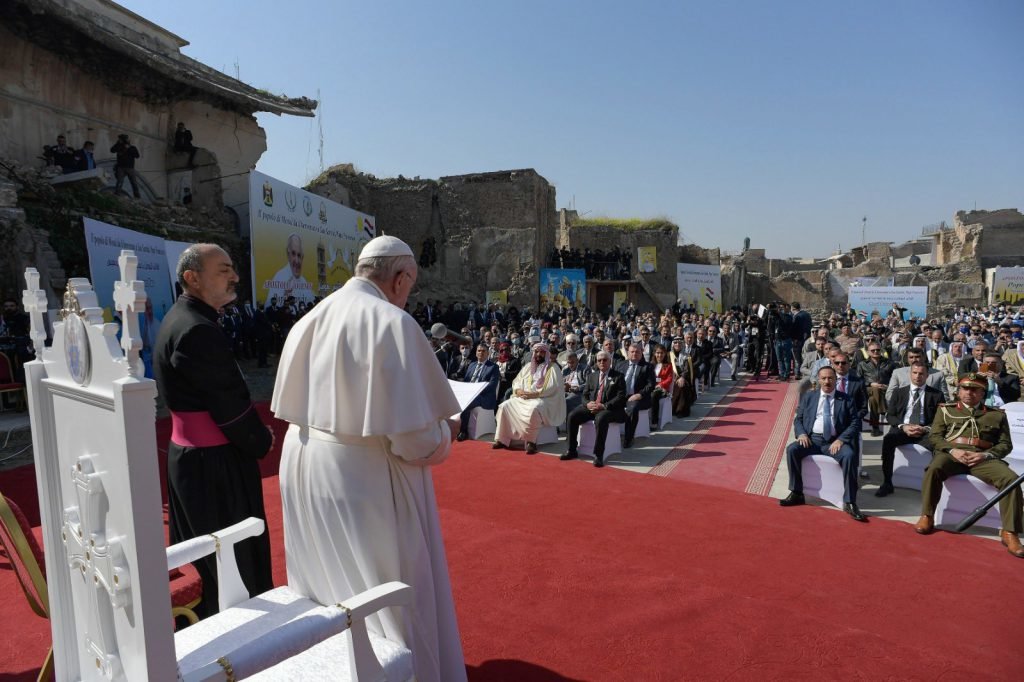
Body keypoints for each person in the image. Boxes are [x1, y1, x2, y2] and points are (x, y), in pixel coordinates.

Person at [271, 235, 467, 680]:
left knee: (326, 581)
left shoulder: (311, 317)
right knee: (385, 593)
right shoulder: (391, 323)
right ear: (400, 279)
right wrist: (446, 431)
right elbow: (414, 440)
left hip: (303, 461)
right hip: (363, 478)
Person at [154, 244, 275, 617]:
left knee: (205, 553)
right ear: (193, 278)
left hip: (197, 461)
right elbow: (229, 405)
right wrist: (261, 440)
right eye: (223, 270)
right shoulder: (196, 330)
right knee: (229, 562)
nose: (235, 277)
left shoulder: (184, 318)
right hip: (214, 466)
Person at [916, 373, 1023, 558]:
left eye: (975, 390)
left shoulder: (996, 415)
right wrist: (952, 451)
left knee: (1011, 479)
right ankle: (927, 516)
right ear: (958, 391)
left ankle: (1009, 532)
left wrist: (986, 455)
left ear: (983, 393)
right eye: (965, 388)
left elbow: (1006, 444)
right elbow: (934, 437)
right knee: (934, 469)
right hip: (953, 454)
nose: (969, 393)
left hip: (983, 458)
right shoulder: (946, 409)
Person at [779, 365, 866, 522]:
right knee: (792, 450)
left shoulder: (846, 399)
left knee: (849, 456)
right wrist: (802, 433)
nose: (827, 381)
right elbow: (798, 418)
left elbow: (854, 423)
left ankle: (850, 501)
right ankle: (797, 492)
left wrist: (841, 439)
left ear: (835, 379)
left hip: (834, 442)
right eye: (824, 378)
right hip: (812, 440)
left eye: (830, 378)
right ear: (818, 380)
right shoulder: (809, 396)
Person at [876, 363, 942, 496]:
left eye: (921, 373)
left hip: (924, 431)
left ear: (927, 376)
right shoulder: (899, 392)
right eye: (915, 373)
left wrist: (925, 428)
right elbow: (890, 415)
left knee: (939, 448)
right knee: (888, 440)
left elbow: (939, 419)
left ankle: (932, 486)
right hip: (903, 429)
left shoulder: (936, 395)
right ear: (910, 374)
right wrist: (903, 426)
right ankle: (887, 482)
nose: (918, 376)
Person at [492, 343, 566, 454]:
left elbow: (552, 387)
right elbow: (517, 381)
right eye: (536, 352)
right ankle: (502, 439)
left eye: (541, 352)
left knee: (534, 409)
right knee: (504, 406)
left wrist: (534, 394)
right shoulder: (527, 367)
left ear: (546, 354)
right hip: (524, 397)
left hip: (543, 398)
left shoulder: (553, 368)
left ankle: (531, 442)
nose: (539, 354)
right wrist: (518, 391)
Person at [563, 351, 627, 468]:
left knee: (601, 418)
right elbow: (585, 395)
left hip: (610, 409)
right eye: (599, 360)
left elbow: (621, 397)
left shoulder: (618, 376)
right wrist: (587, 404)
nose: (602, 362)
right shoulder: (592, 376)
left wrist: (604, 406)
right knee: (572, 416)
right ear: (596, 362)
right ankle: (572, 450)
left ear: (610, 361)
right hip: (592, 406)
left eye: (604, 360)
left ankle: (598, 455)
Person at [456, 344, 500, 441]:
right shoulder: (472, 365)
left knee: (467, 402)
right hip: (469, 393)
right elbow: (467, 381)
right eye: (479, 350)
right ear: (476, 353)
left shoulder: (493, 367)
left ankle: (463, 431)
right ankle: (449, 426)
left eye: (484, 351)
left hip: (484, 397)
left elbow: (492, 386)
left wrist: (475, 391)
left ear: (488, 353)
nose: (481, 353)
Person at [857, 341, 896, 436]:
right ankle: (883, 410)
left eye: (878, 350)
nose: (875, 352)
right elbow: (858, 380)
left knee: (873, 400)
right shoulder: (862, 364)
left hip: (885, 388)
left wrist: (889, 385)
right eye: (873, 350)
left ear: (881, 350)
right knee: (875, 390)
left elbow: (895, 377)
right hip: (868, 389)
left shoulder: (889, 363)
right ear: (868, 352)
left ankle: (875, 427)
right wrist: (871, 383)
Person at [620, 342, 655, 448]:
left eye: (637, 352)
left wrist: (639, 394)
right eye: (632, 352)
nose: (634, 354)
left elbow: (651, 385)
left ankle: (628, 438)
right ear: (628, 353)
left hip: (640, 398)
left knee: (632, 408)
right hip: (622, 395)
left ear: (641, 353)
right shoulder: (621, 364)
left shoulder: (647, 367)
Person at [265, 233, 315, 304]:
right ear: (288, 254)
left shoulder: (303, 281)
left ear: (302, 257)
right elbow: (268, 307)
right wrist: (284, 296)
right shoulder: (279, 277)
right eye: (293, 254)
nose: (297, 261)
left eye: (299, 255)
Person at [110, 133, 141, 198]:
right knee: (119, 181)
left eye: (120, 139)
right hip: (120, 167)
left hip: (130, 168)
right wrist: (117, 143)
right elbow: (112, 150)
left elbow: (137, 156)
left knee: (133, 182)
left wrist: (129, 148)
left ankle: (137, 196)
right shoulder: (118, 146)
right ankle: (117, 194)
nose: (119, 140)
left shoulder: (132, 147)